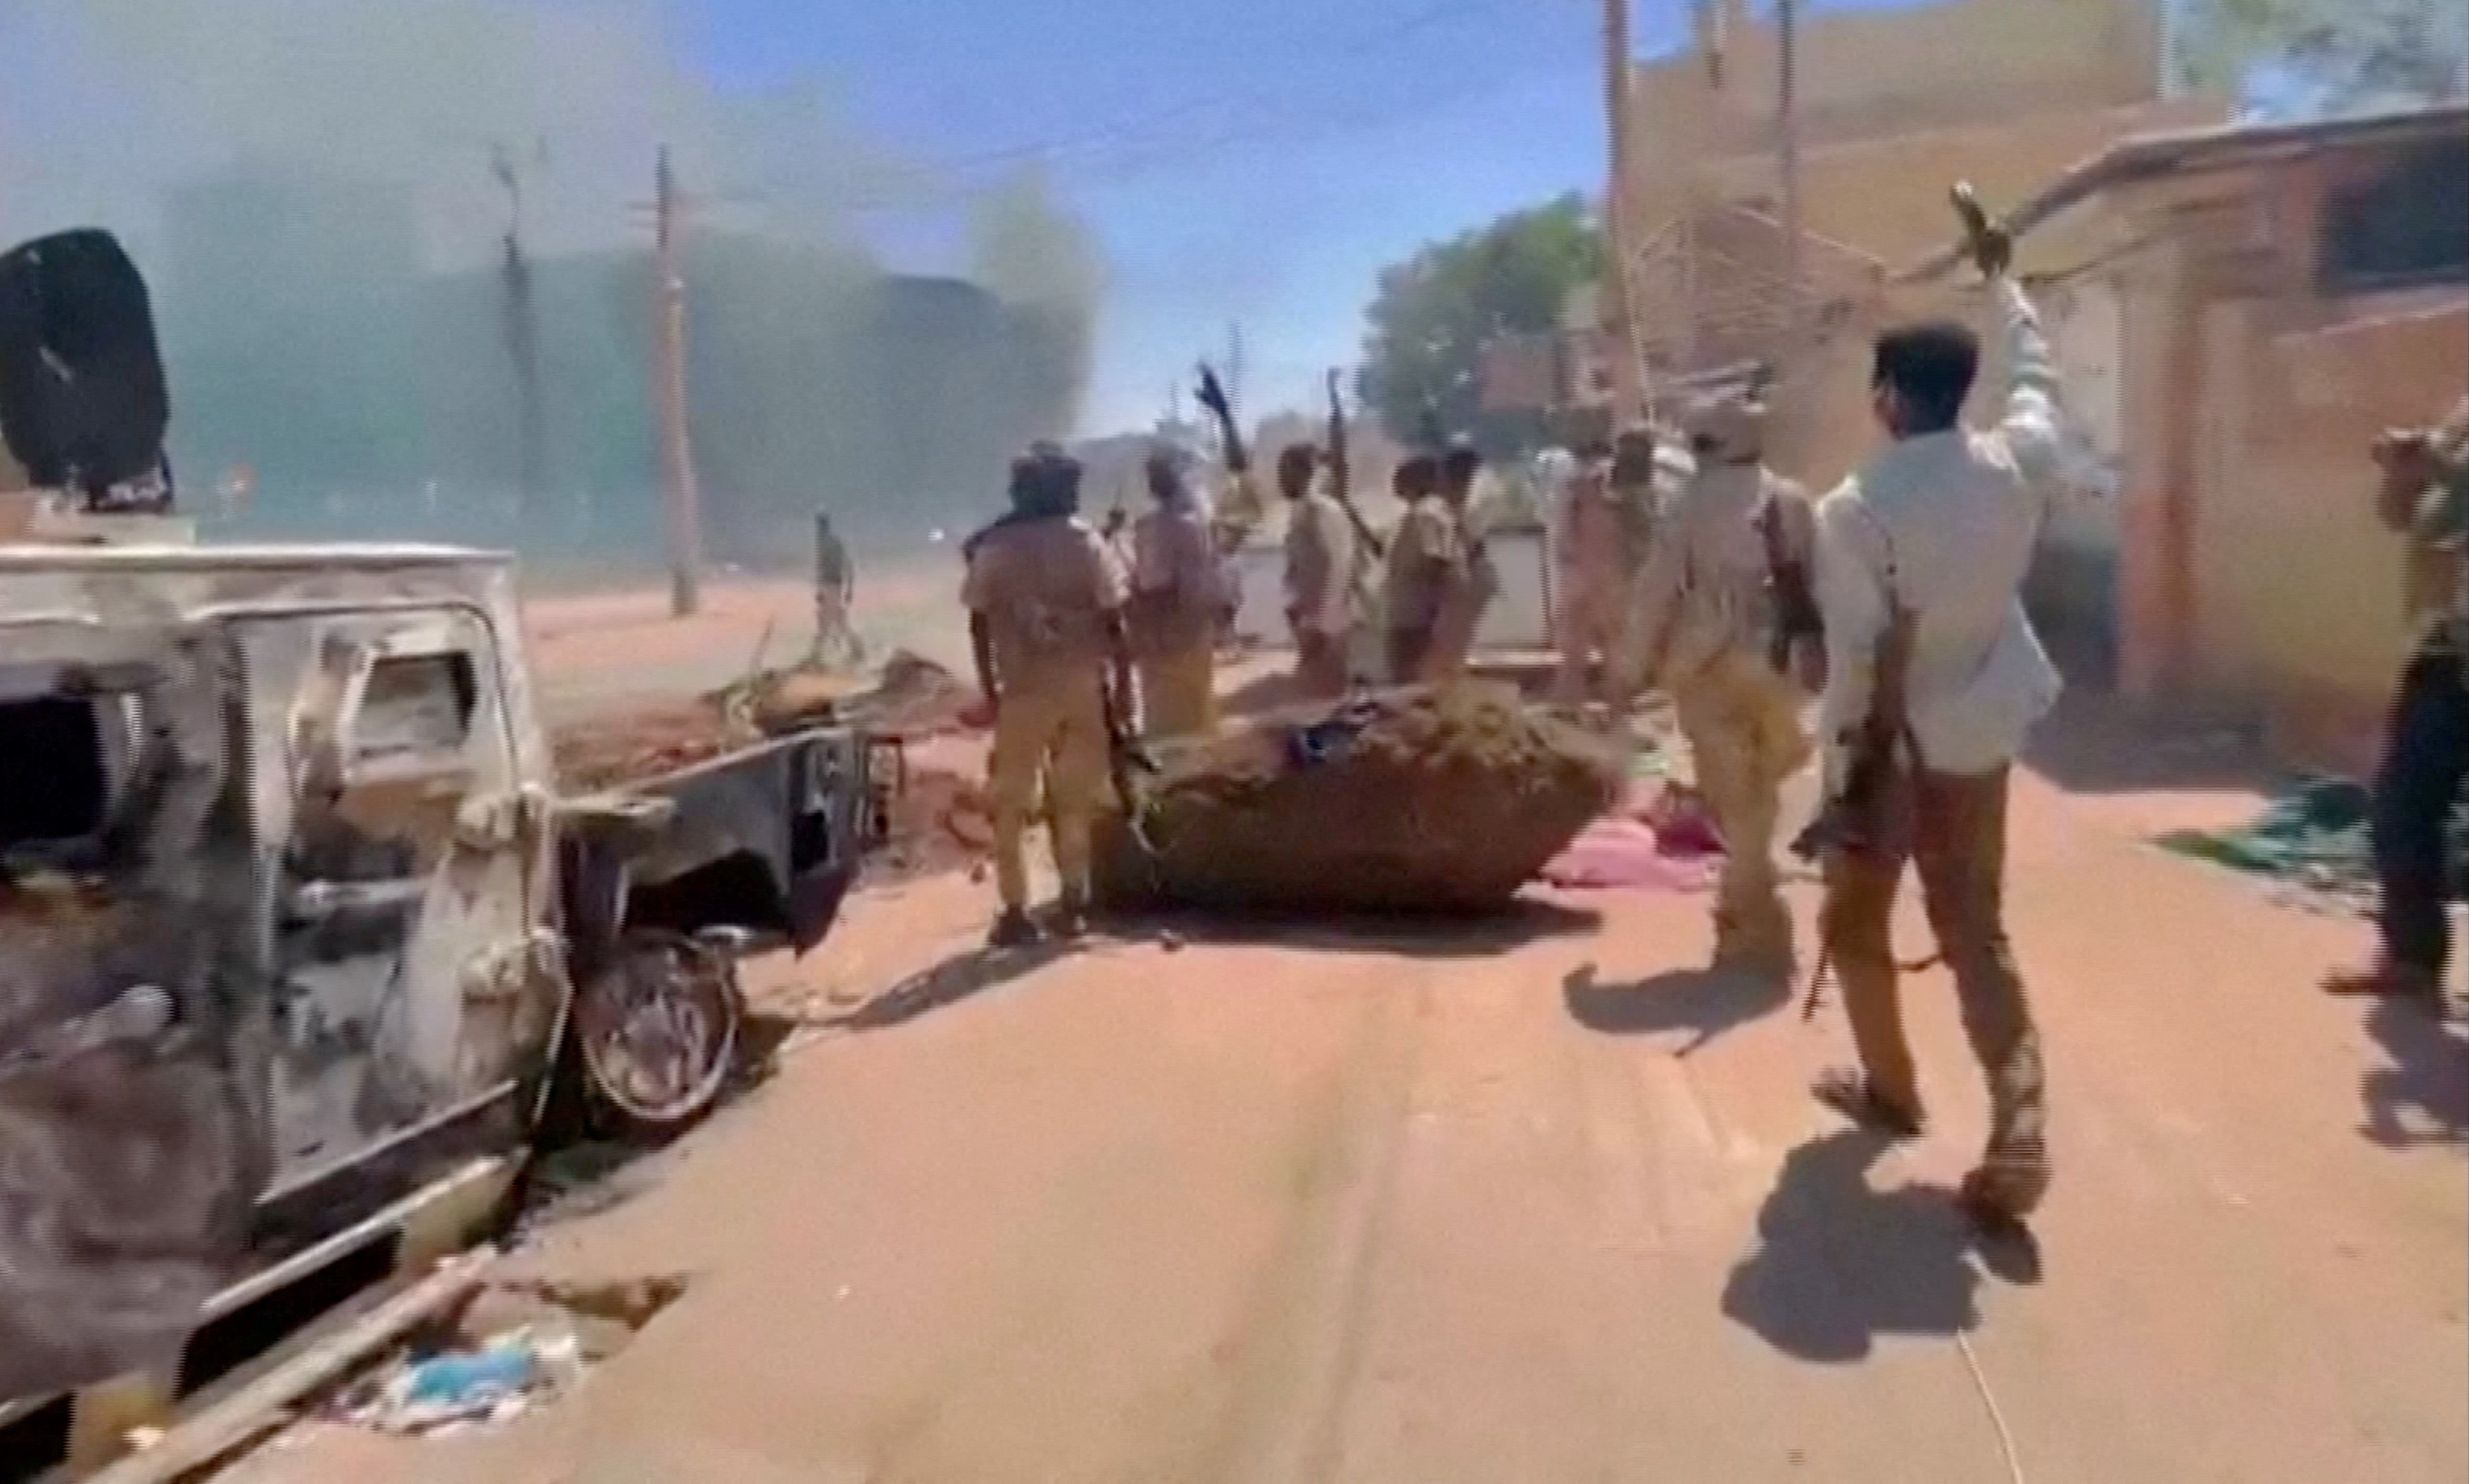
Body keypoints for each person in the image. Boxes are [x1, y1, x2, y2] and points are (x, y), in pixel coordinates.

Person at [1804, 204, 2084, 1228]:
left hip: (1890, 755)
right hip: (1980, 737)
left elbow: (1856, 662)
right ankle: (2019, 1126)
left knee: (1855, 915)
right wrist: (2002, 284)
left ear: (1885, 397)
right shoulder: (2017, 461)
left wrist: (1839, 780)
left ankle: (1890, 1089)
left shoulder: (1853, 508)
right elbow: (2039, 381)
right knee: (1977, 928)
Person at [1616, 392, 1815, 975]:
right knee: (1763, 783)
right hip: (1782, 663)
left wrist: (1630, 664)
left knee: (1733, 792)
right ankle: (1752, 908)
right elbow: (1825, 581)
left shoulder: (1689, 506)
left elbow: (1657, 588)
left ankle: (1749, 911)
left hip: (1708, 664)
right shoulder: (1793, 498)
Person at [2322, 397, 2469, 1007]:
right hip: (2445, 647)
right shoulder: (2460, 419)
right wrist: (2399, 475)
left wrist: (2434, 460)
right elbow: (2400, 519)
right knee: (2403, 805)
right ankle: (2410, 956)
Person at [962, 447, 1135, 947]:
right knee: (1073, 799)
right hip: (1082, 686)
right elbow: (1114, 620)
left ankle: (1016, 910)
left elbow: (977, 619)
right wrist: (1124, 688)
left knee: (1011, 803)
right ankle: (1073, 902)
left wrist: (989, 688)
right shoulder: (1086, 542)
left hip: (1023, 690)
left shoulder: (995, 546)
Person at [1128, 445, 1221, 737]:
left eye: (1159, 473)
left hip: (1173, 632)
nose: (1154, 481)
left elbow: (1166, 587)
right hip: (1178, 630)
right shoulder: (1175, 522)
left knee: (1178, 713)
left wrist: (1144, 613)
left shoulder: (1178, 525)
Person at [1555, 437, 1653, 708]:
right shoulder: (1626, 490)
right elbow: (1641, 537)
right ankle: (1617, 708)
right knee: (1615, 646)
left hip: (1576, 572)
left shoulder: (1571, 484)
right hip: (1612, 575)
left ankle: (1569, 708)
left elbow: (1563, 534)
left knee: (1574, 649)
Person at [1279, 444, 1356, 696]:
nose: (1280, 480)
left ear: (1304, 473)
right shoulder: (1302, 510)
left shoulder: (1321, 509)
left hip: (1325, 620)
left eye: (1285, 472)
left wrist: (1324, 621)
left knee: (1326, 694)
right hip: (1311, 616)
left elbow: (1337, 563)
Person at [1422, 440, 1497, 681]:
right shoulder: (1460, 506)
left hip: (1468, 576)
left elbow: (1460, 546)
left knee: (1448, 649)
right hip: (1472, 575)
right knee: (1453, 648)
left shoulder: (1464, 509)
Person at [1382, 453, 1459, 683]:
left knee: (1410, 678)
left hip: (1415, 615)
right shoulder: (1428, 513)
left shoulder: (1424, 515)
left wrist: (1435, 612)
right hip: (1411, 611)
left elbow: (1435, 560)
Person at [810, 511, 858, 669]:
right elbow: (846, 566)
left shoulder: (826, 544)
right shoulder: (830, 542)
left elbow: (826, 568)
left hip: (831, 585)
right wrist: (849, 588)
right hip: (832, 586)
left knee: (829, 622)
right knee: (834, 620)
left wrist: (848, 588)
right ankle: (853, 650)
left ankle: (817, 657)